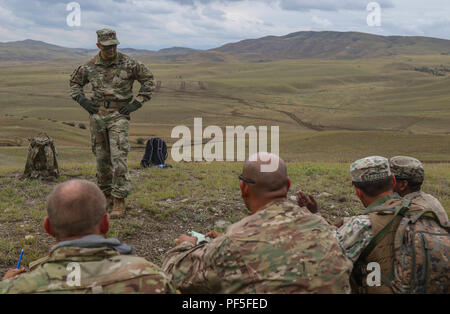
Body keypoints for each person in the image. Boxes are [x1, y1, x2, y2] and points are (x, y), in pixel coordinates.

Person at [162, 153, 353, 294]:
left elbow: (173, 275)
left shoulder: (235, 240)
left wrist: (186, 245)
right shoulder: (326, 228)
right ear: (287, 185)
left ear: (243, 187)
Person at [297, 156, 448, 293]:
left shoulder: (363, 225)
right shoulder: (425, 210)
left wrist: (312, 217)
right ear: (393, 181)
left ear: (357, 191)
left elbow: (320, 254)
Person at [0, 180, 173, 294]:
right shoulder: (153, 278)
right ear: (106, 223)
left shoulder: (14, 289)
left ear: (48, 228)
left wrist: (7, 285)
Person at [69, 29, 155, 218]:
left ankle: (119, 201)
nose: (111, 50)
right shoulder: (89, 66)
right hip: (97, 115)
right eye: (107, 47)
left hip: (119, 114)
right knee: (101, 158)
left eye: (114, 46)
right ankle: (104, 197)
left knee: (118, 157)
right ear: (99, 45)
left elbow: (149, 80)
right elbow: (74, 83)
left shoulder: (129, 63)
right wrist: (83, 101)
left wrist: (137, 103)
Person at [390, 156, 448, 223]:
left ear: (403, 185)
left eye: (391, 180)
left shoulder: (407, 208)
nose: (388, 183)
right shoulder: (433, 200)